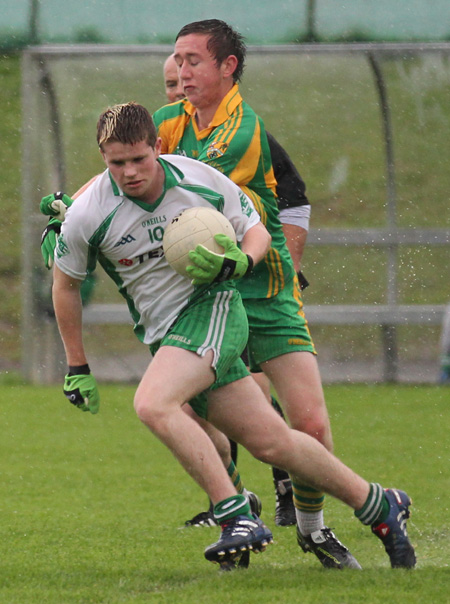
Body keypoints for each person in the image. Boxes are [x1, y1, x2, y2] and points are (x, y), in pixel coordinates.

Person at [48, 101, 416, 571]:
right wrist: (77, 366)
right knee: (272, 442)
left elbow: (256, 230)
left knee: (153, 403)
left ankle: (234, 513)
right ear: (103, 157)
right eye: (116, 163)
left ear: (156, 147)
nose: (130, 171)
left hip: (214, 308)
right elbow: (65, 285)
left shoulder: (198, 180)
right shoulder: (88, 213)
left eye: (139, 158)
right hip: (168, 335)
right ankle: (379, 504)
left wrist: (241, 261)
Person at [151, 18, 358, 569]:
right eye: (178, 61)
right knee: (205, 416)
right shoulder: (172, 121)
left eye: (193, 61)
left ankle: (312, 529)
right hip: (208, 296)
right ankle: (238, 515)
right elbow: (127, 164)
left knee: (308, 424)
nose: (181, 72)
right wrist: (73, 208)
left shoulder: (241, 131)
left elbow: (178, 183)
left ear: (228, 68)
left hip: (263, 288)